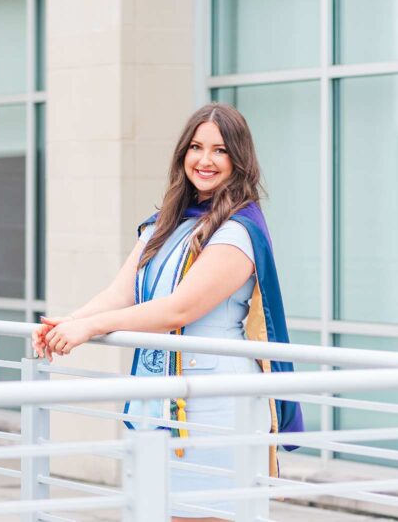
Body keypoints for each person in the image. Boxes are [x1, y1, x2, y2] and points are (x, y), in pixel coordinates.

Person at [32, 103, 302, 522]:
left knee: (206, 515)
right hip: (161, 397)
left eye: (220, 150)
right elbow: (121, 293)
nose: (205, 160)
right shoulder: (164, 225)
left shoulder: (238, 231)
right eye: (196, 147)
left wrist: (91, 328)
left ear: (239, 159)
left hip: (216, 402)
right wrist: (66, 324)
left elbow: (178, 308)